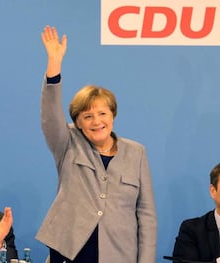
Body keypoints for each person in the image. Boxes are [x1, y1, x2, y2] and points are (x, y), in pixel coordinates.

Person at [36, 25, 157, 263]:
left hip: (119, 254)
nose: (96, 121)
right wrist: (54, 66)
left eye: (102, 114)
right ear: (78, 122)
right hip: (71, 251)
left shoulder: (137, 153)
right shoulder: (67, 143)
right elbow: (50, 115)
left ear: (113, 115)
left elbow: (146, 215)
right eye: (87, 116)